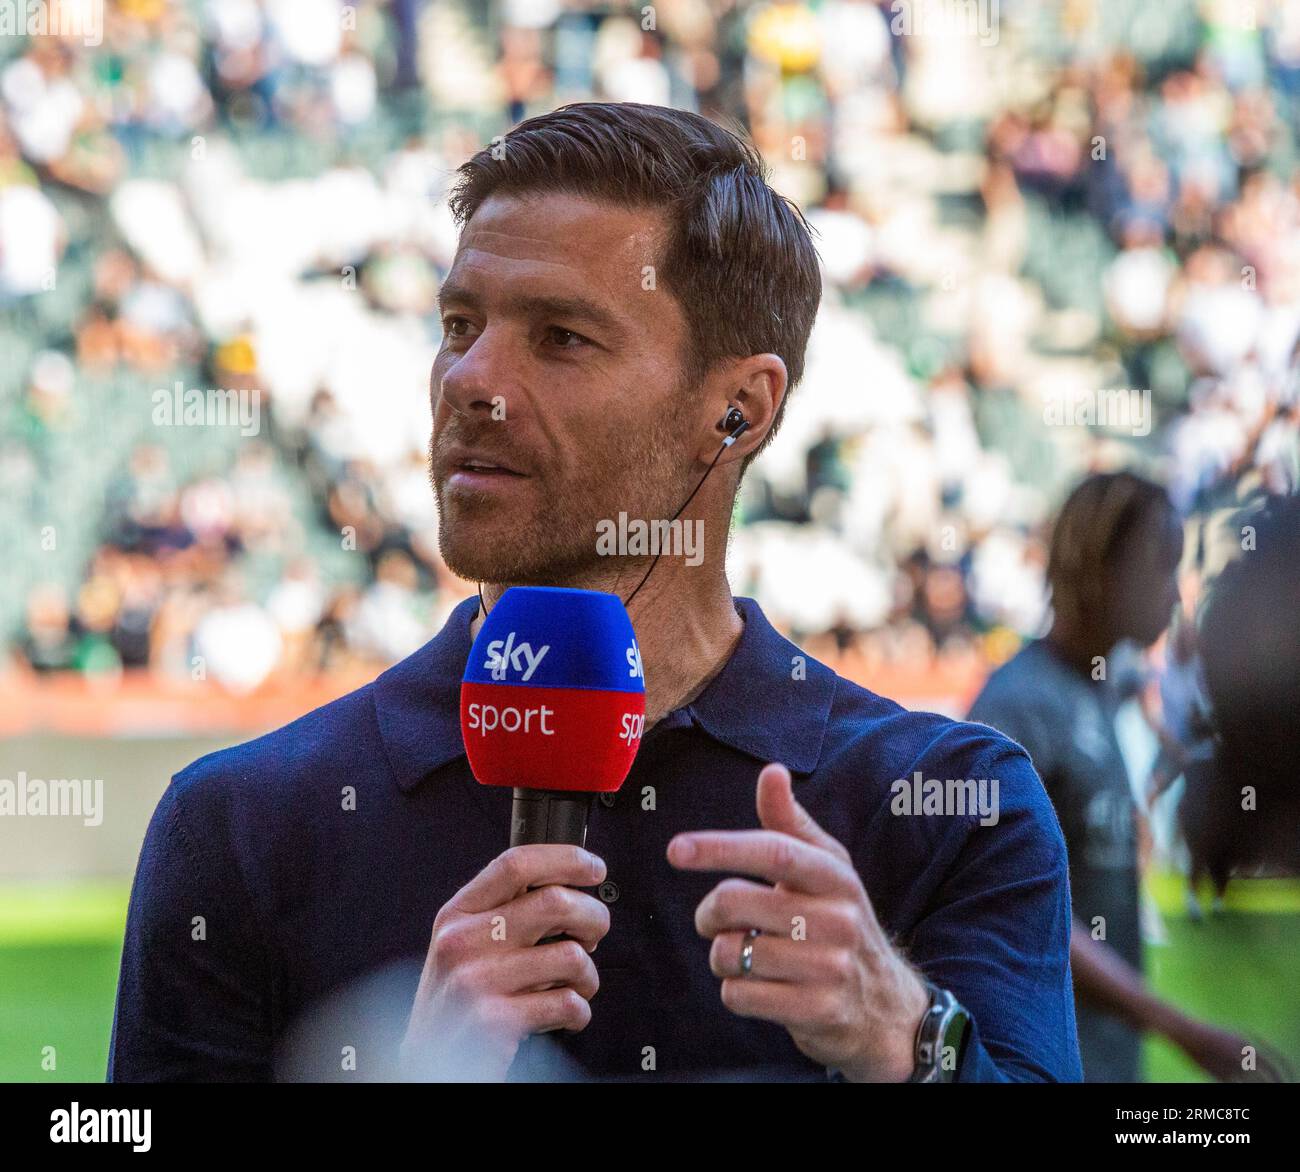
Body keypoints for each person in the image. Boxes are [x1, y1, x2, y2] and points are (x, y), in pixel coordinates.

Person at [109, 103, 1081, 1083]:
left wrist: (904, 1037)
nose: (470, 379)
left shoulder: (953, 810)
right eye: (459, 324)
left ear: (738, 409)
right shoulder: (242, 824)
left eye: (561, 336)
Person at [970, 471, 1273, 1082]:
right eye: (1163, 567)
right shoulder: (1017, 709)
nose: (1176, 594)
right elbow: (1015, 907)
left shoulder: (1098, 685)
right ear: (1105, 568)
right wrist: (1186, 1031)